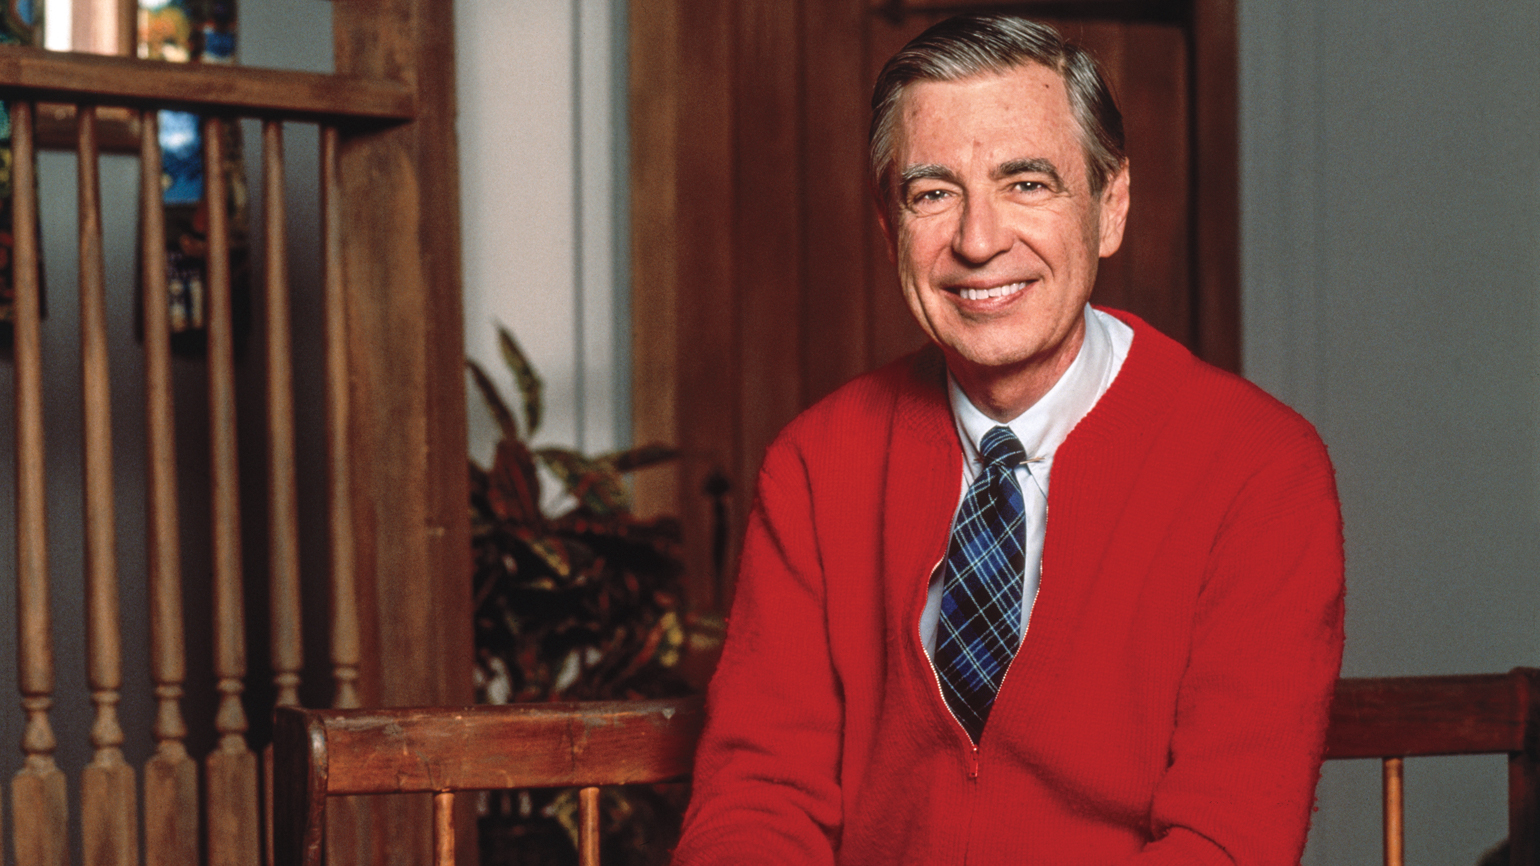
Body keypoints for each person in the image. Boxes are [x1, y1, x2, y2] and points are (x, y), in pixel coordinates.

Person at [672, 14, 1344, 865]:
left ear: (1110, 208)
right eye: (932, 194)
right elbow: (759, 799)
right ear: (888, 227)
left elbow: (1227, 838)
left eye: (1027, 183)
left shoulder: (1260, 470)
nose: (979, 241)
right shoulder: (815, 464)